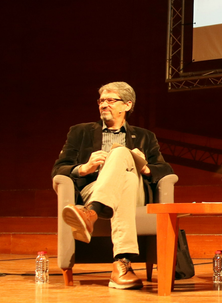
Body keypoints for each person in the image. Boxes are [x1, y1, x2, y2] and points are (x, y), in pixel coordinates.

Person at [52, 82, 174, 290]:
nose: (103, 105)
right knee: (124, 181)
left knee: (121, 153)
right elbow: (59, 170)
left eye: (110, 100)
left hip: (137, 192)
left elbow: (165, 169)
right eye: (101, 101)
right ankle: (122, 264)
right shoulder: (80, 132)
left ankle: (91, 213)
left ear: (127, 105)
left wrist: (145, 169)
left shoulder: (145, 136)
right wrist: (85, 168)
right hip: (93, 188)